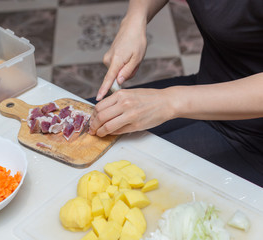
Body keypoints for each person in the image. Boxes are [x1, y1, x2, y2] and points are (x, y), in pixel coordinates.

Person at [87, 0, 263, 187]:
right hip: (204, 86)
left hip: (253, 136)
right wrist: (134, 20)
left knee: (109, 181)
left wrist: (170, 102)